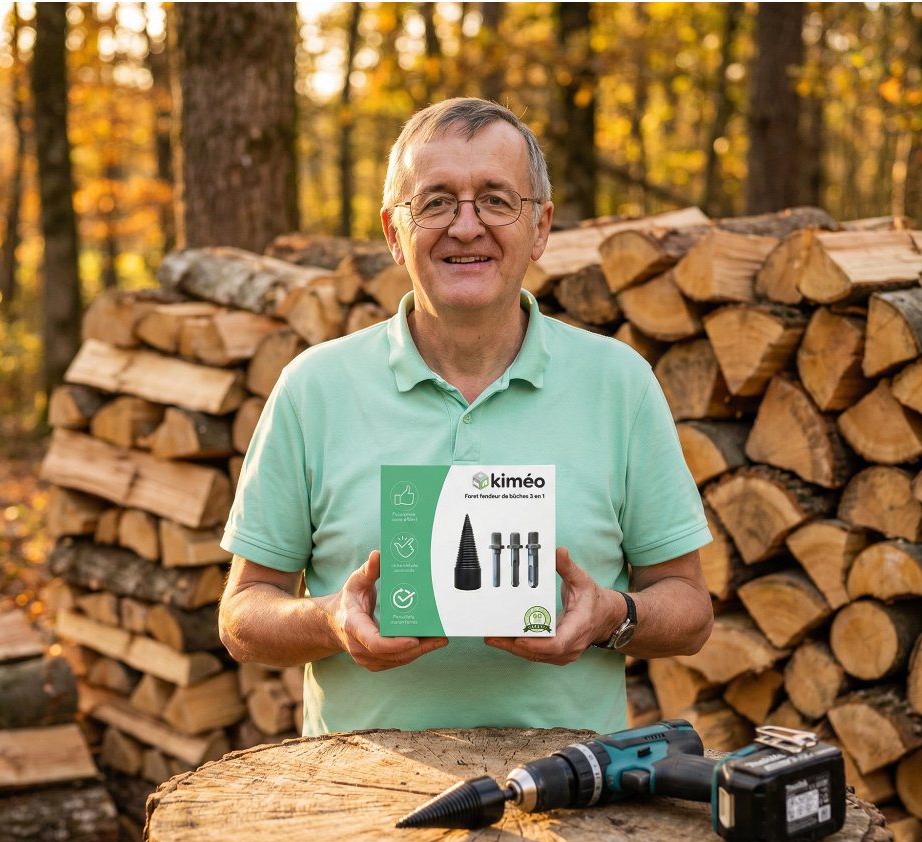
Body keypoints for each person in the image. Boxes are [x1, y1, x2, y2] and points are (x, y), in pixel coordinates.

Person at [219, 98, 713, 736]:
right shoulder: (313, 388)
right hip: (354, 802)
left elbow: (691, 609)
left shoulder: (620, 383)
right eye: (435, 202)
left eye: (497, 200)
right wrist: (329, 622)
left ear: (540, 228)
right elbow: (242, 615)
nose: (466, 226)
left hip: (573, 797)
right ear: (395, 234)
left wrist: (611, 616)